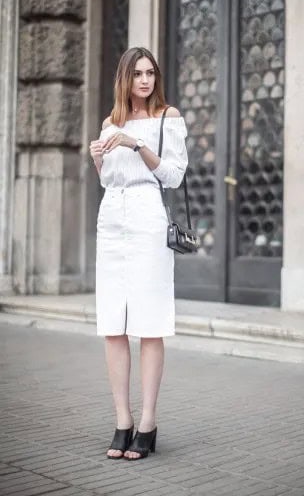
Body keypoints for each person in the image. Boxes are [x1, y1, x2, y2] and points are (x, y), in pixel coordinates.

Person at [89, 46, 188, 460]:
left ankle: (147, 421)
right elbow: (108, 180)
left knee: (148, 322)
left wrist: (136, 145)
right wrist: (98, 160)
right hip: (112, 219)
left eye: (151, 73)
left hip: (148, 218)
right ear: (125, 79)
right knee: (113, 324)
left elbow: (174, 176)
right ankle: (122, 420)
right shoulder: (110, 121)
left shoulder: (170, 117)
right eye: (138, 74)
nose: (145, 80)